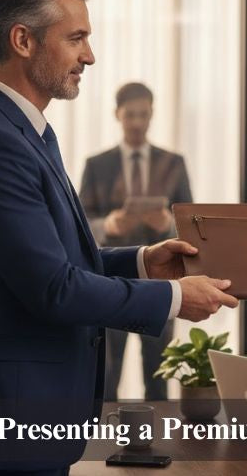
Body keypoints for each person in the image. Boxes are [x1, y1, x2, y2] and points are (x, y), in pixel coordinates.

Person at [0, 0, 237, 476]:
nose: (89, 56)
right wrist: (177, 297)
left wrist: (142, 262)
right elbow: (53, 288)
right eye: (76, 39)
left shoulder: (25, 134)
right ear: (23, 40)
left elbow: (57, 258)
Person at [79, 82, 192, 402]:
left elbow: (191, 225)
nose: (138, 122)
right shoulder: (97, 165)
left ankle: (158, 445)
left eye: (144, 115)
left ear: (152, 114)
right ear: (118, 115)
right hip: (111, 281)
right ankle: (103, 445)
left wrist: (168, 223)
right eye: (131, 115)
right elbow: (80, 222)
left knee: (158, 372)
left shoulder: (174, 163)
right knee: (107, 372)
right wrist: (109, 224)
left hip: (160, 282)